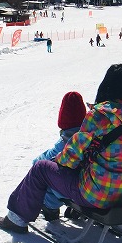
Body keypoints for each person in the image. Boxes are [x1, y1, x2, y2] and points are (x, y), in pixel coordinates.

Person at [0, 63, 122, 233]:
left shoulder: (99, 117)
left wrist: (53, 162)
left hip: (96, 196)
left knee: (40, 168)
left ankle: (16, 219)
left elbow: (70, 156)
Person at [32, 91, 88, 221]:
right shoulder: (91, 137)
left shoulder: (64, 143)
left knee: (48, 175)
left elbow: (43, 161)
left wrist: (37, 161)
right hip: (87, 187)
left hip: (70, 190)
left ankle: (50, 208)